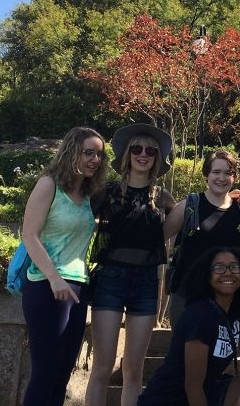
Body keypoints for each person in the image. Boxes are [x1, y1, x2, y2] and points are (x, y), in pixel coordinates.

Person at [86, 123, 178, 406]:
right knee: (102, 367)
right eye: (137, 148)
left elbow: (184, 231)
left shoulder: (163, 198)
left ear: (157, 158)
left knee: (134, 370)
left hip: (147, 283)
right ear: (127, 154)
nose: (143, 154)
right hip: (110, 279)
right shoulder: (105, 193)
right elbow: (76, 224)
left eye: (150, 150)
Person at [20, 126, 107, 405]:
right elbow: (29, 235)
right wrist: (54, 278)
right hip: (48, 287)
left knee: (62, 375)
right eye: (88, 153)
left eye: (99, 155)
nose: (95, 159)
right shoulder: (49, 184)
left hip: (78, 289)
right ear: (71, 152)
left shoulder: (86, 195)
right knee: (44, 374)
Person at [138, 247, 240, 406]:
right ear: (207, 276)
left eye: (234, 267)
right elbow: (193, 386)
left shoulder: (234, 314)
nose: (228, 273)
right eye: (219, 268)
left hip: (209, 389)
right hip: (169, 399)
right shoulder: (200, 315)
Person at [164, 150, 240, 327]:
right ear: (206, 174)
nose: (222, 178)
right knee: (184, 352)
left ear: (235, 177)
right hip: (186, 296)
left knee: (220, 353)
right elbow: (158, 238)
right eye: (216, 172)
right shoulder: (189, 206)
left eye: (228, 173)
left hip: (225, 299)